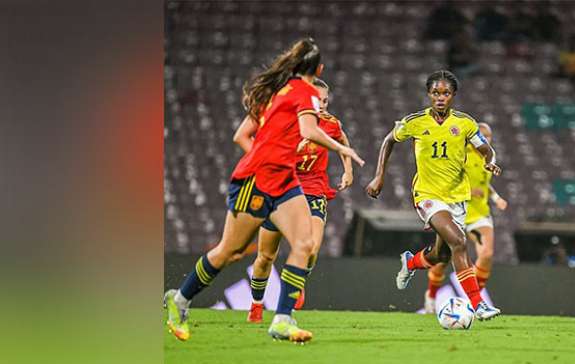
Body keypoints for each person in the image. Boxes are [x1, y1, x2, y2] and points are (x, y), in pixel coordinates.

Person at [164, 38, 364, 343]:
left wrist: (271, 154)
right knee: (228, 252)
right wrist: (343, 151)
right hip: (256, 181)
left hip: (285, 181)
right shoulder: (306, 93)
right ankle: (179, 300)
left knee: (304, 244)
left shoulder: (273, 91)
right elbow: (310, 131)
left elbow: (242, 135)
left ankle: (282, 319)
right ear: (319, 69)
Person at [366, 70, 502, 321]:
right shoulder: (415, 121)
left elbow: (486, 149)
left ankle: (412, 263)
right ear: (429, 94)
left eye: (446, 93)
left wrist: (490, 161)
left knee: (442, 255)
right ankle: (478, 304)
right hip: (427, 194)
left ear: (453, 96)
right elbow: (388, 141)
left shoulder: (465, 123)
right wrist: (379, 176)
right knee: (459, 241)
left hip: (457, 197)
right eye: (436, 93)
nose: (440, 97)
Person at [246, 78, 354, 323]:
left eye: (326, 101)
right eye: (318, 101)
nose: (323, 105)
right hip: (282, 189)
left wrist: (348, 169)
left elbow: (342, 141)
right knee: (265, 257)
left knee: (312, 249)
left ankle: (297, 276)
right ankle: (256, 304)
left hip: (314, 189)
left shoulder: (330, 124)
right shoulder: (285, 121)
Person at [423, 122, 509, 313]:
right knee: (443, 260)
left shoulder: (489, 159)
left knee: (486, 255)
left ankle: (476, 301)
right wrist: (469, 190)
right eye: (482, 136)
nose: (486, 140)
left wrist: (496, 198)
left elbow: (484, 184)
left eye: (489, 137)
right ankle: (430, 295)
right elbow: (445, 182)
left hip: (480, 214)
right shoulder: (460, 155)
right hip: (456, 213)